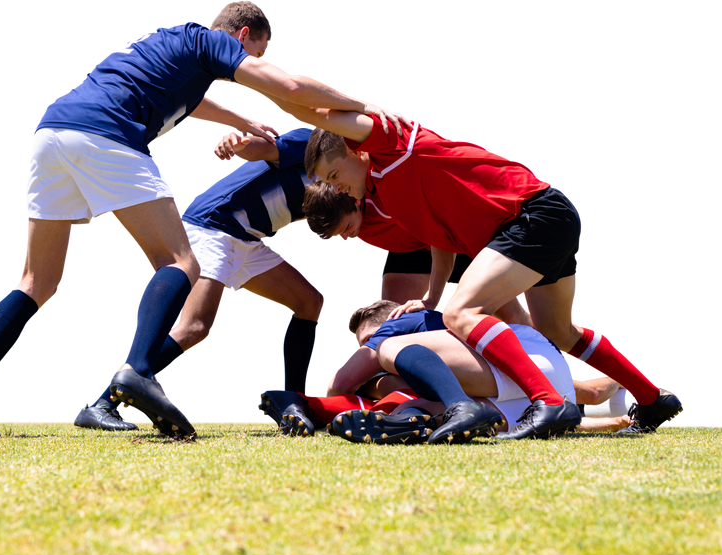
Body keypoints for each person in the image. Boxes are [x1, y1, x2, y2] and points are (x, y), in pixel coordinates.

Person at [0, 0, 410, 438]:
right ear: (241, 37)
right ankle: (134, 374)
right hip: (107, 132)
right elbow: (286, 85)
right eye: (259, 54)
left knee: (37, 281)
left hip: (52, 131)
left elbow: (195, 101)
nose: (258, 64)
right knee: (178, 262)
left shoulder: (171, 46)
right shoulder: (212, 42)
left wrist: (238, 122)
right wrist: (370, 110)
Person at [265, 99, 684, 440]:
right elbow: (442, 240)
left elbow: (309, 101)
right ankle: (651, 397)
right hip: (545, 214)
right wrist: (430, 298)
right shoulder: (389, 191)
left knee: (460, 313)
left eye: (335, 175)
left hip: (529, 215)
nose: (336, 187)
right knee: (558, 332)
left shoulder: (393, 145)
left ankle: (550, 402)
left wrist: (245, 73)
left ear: (358, 149)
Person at [73, 125, 327, 434]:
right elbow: (264, 146)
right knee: (194, 327)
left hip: (246, 235)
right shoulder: (322, 140)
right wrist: (238, 142)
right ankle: (103, 403)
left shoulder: (360, 171)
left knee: (309, 301)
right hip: (215, 224)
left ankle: (294, 404)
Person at [259, 299, 635, 443]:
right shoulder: (443, 331)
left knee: (392, 358)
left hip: (513, 361)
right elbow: (588, 393)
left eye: (362, 341)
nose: (362, 349)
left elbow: (337, 383)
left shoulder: (396, 327)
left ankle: (296, 400)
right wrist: (618, 406)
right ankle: (412, 419)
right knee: (436, 405)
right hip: (535, 378)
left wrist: (368, 368)